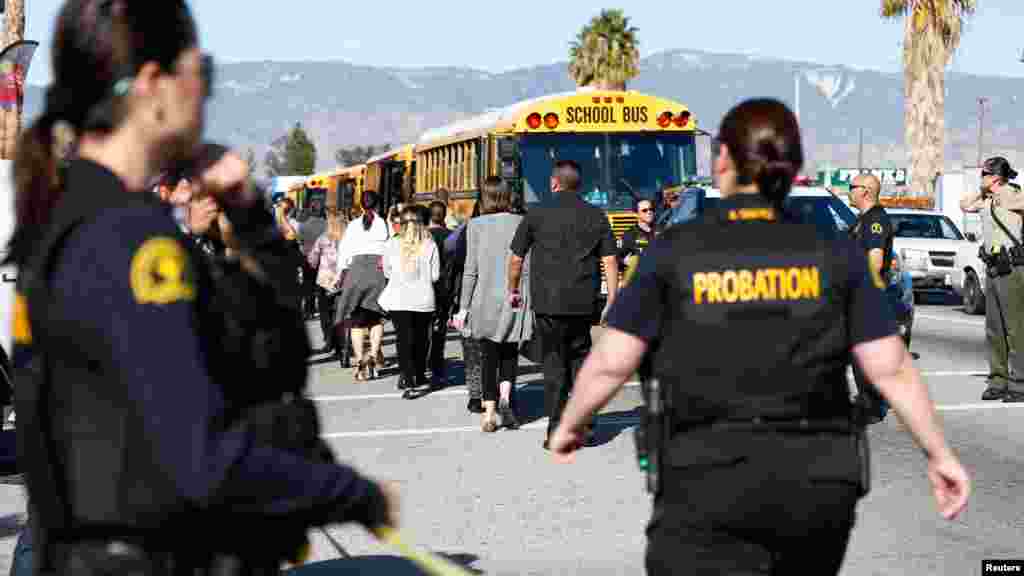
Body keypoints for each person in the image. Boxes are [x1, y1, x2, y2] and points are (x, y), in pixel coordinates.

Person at [10, 2, 398, 574]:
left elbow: (274, 354)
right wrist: (350, 493)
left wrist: (250, 218)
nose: (206, 96)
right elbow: (202, 461)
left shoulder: (64, 217)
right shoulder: (133, 242)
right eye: (203, 75)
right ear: (152, 85)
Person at [548, 98, 970, 575]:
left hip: (704, 484)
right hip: (817, 488)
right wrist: (939, 453)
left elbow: (611, 361)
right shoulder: (835, 253)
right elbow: (890, 366)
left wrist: (572, 421)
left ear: (721, 159)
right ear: (793, 168)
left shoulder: (673, 251)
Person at [508, 159, 619, 450]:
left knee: (555, 365)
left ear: (554, 183)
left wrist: (513, 289)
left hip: (547, 303)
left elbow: (517, 258)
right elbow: (609, 260)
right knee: (582, 361)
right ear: (579, 185)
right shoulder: (596, 215)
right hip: (584, 303)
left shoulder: (537, 213)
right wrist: (613, 299)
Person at [456, 177, 532, 431]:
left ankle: (488, 414)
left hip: (484, 299)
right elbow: (526, 266)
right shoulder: (521, 222)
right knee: (510, 353)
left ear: (485, 197)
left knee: (488, 356)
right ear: (507, 196)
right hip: (514, 297)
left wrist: (463, 308)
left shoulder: (475, 225)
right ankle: (506, 398)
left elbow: (470, 271)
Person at [961, 156, 1024, 403]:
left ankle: (1019, 383)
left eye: (985, 175)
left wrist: (1007, 195)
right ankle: (998, 380)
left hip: (1012, 268)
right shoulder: (986, 199)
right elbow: (964, 205)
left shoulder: (1014, 194)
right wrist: (983, 191)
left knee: (1015, 328)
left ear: (996, 176)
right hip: (993, 268)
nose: (981, 178)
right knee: (994, 329)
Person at [378, 205, 440, 396]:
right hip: (423, 298)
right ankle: (420, 374)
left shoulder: (391, 244)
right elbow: (435, 276)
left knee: (403, 339)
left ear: (401, 224)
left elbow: (387, 271)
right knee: (421, 339)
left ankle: (407, 377)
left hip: (398, 298)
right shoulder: (430, 244)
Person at [848, 172, 895, 422]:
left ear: (865, 191)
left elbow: (875, 261)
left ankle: (873, 405)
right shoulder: (863, 219)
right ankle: (867, 399)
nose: (849, 191)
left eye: (851, 187)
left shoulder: (875, 220)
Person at [335, 190, 390, 380]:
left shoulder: (352, 226)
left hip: (356, 272)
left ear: (361, 206)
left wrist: (340, 274)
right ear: (377, 205)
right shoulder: (385, 224)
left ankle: (359, 360)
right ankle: (374, 357)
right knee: (377, 319)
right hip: (378, 272)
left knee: (355, 320)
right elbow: (390, 249)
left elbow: (344, 253)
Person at [308, 209, 348, 360]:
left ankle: (329, 341)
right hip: (343, 280)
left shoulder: (323, 238)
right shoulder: (349, 239)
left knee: (325, 314)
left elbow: (312, 259)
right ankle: (341, 344)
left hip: (325, 280)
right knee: (341, 313)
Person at [426, 201, 452, 387]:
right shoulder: (452, 236)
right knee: (439, 330)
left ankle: (423, 363)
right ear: (444, 215)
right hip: (444, 289)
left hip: (424, 288)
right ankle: (437, 366)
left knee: (422, 328)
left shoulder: (422, 236)